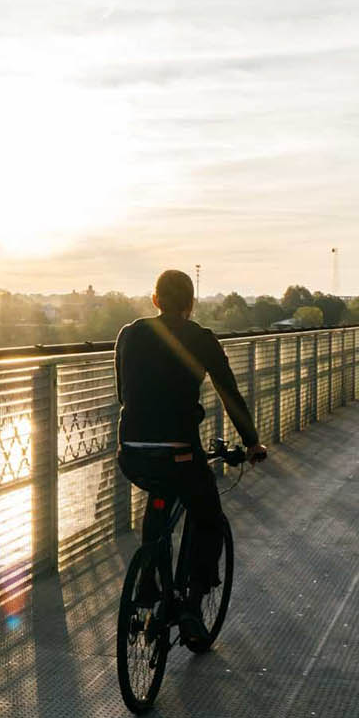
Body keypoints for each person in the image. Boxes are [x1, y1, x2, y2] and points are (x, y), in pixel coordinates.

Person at [115, 268, 266, 642]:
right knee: (209, 516)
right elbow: (228, 393)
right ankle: (192, 605)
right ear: (191, 304)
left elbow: (123, 394)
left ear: (155, 301)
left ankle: (148, 580)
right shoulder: (201, 339)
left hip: (132, 451)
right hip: (180, 452)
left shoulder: (129, 334)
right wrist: (251, 442)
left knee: (160, 495)